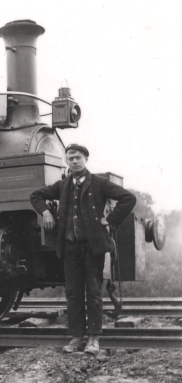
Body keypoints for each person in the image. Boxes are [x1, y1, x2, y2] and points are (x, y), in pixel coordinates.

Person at [30, 144, 136, 355]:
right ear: (67, 162)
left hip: (92, 247)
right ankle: (77, 337)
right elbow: (36, 196)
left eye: (77, 158)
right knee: (73, 293)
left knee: (93, 292)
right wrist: (46, 213)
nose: (74, 162)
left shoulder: (99, 183)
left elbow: (128, 198)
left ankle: (94, 339)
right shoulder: (62, 185)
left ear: (86, 159)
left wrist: (110, 221)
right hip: (70, 247)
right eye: (70, 159)